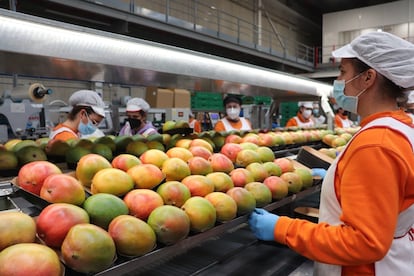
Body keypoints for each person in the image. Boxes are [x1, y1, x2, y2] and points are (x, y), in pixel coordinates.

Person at [249, 31, 414, 276]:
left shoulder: (375, 144)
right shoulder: (401, 128)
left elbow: (363, 242)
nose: (338, 80)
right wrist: (338, 179)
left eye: (343, 72)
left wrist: (283, 228)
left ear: (368, 78)